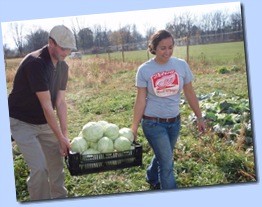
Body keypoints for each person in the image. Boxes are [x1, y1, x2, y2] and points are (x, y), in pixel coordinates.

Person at [8, 25, 76, 201]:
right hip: (21, 120)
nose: (66, 52)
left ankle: (59, 198)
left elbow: (59, 102)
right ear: (50, 42)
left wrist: (64, 135)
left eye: (69, 49)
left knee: (56, 163)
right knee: (39, 168)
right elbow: (47, 106)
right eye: (63, 48)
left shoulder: (63, 67)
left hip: (43, 121)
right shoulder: (35, 63)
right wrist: (59, 138)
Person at [131, 30, 205, 190]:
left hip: (175, 122)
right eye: (163, 48)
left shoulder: (181, 65)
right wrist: (134, 127)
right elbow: (140, 100)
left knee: (163, 155)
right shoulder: (144, 70)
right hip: (153, 123)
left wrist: (199, 117)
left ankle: (151, 176)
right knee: (167, 163)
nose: (167, 52)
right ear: (154, 48)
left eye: (170, 47)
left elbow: (190, 93)